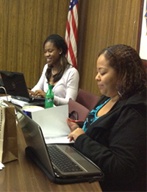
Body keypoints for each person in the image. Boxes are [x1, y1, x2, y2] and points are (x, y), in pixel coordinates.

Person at [67, 44, 146, 191]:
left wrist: (82, 138)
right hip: (87, 164)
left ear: (123, 74)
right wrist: (78, 126)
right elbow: (101, 126)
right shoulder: (109, 96)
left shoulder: (135, 113)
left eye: (102, 73)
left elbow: (122, 168)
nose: (97, 77)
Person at [29, 34, 79, 105]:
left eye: (50, 51)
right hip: (45, 109)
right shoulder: (47, 67)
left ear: (60, 51)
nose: (47, 54)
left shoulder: (72, 73)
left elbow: (70, 103)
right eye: (45, 51)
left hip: (60, 113)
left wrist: (48, 97)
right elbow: (38, 87)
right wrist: (30, 93)